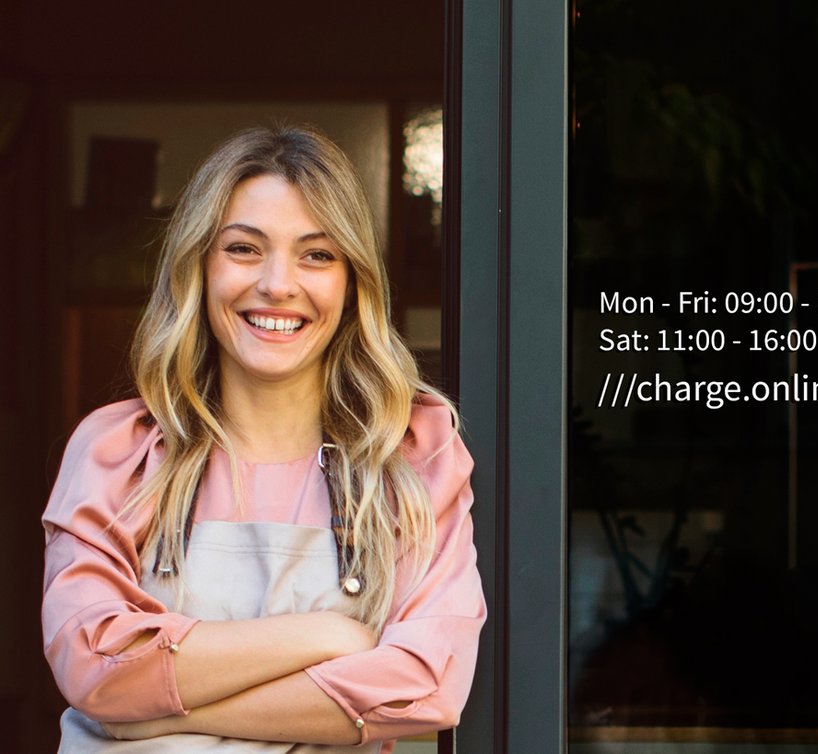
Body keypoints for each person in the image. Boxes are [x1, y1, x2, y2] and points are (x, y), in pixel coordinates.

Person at [40, 125, 486, 752]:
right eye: (244, 249)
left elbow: (425, 685)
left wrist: (162, 714)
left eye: (317, 255)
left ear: (353, 282)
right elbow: (94, 667)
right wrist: (328, 636)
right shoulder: (120, 452)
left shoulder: (411, 456)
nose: (278, 284)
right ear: (199, 266)